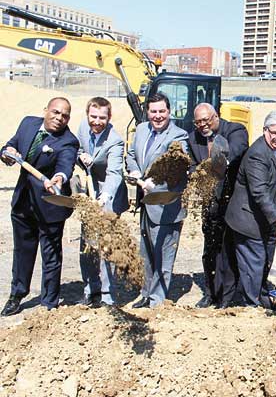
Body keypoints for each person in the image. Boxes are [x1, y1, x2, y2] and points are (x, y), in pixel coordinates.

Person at [1, 97, 79, 316]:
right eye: (55, 112)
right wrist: (7, 153)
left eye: (64, 115)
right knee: (22, 251)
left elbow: (66, 164)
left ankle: (49, 304)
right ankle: (17, 295)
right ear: (46, 110)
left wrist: (60, 178)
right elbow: (12, 145)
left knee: (51, 255)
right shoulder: (28, 124)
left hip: (50, 205)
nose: (59, 118)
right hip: (23, 203)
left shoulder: (68, 141)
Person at [126, 92, 189, 308]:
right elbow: (132, 155)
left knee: (164, 255)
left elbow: (175, 165)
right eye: (153, 111)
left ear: (169, 112)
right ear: (148, 112)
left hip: (166, 205)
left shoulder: (179, 136)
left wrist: (154, 181)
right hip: (145, 204)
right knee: (146, 252)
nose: (158, 116)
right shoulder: (142, 129)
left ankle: (157, 302)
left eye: (162, 111)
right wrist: (135, 173)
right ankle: (145, 293)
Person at [226, 110, 276, 308]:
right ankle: (250, 306)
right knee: (254, 264)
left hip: (266, 218)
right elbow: (259, 193)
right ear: (265, 131)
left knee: (265, 261)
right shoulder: (257, 154)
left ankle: (261, 298)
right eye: (275, 133)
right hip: (248, 219)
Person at [188, 103, 248, 309]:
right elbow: (192, 165)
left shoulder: (235, 130)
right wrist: (198, 173)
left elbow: (237, 150)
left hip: (233, 200)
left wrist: (222, 161)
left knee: (229, 248)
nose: (203, 125)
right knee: (210, 250)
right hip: (210, 202)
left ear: (216, 116)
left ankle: (228, 297)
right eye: (198, 122)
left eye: (207, 120)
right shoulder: (193, 138)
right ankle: (211, 293)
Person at [75, 97, 129, 307]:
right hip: (89, 193)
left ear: (109, 117)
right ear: (88, 114)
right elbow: (77, 148)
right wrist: (82, 156)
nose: (97, 121)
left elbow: (115, 173)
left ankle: (107, 294)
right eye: (93, 116)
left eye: (102, 118)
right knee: (87, 244)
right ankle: (90, 290)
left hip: (109, 195)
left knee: (106, 246)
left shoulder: (114, 140)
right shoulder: (82, 127)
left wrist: (105, 196)